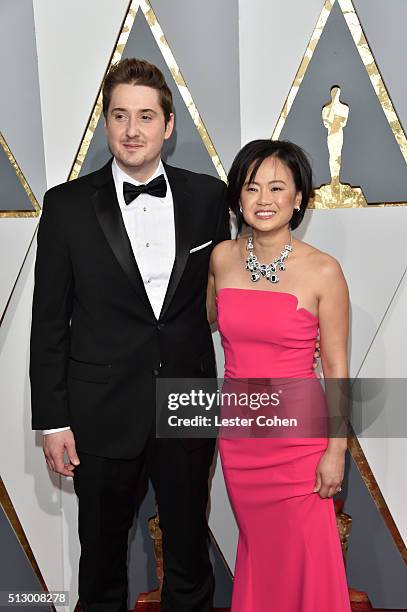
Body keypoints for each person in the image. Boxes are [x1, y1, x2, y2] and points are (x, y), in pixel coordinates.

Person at [30, 58, 230, 612]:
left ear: (168, 126)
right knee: (100, 559)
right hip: (99, 408)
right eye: (120, 115)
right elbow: (49, 321)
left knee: (190, 557)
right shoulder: (66, 206)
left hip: (187, 399)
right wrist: (52, 419)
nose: (132, 129)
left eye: (146, 116)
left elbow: (219, 299)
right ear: (105, 123)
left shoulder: (209, 198)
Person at [208, 139, 351, 611]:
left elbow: (336, 370)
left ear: (298, 198)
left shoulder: (323, 271)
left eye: (276, 187)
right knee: (262, 552)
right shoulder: (221, 259)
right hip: (242, 440)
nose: (264, 199)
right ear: (238, 198)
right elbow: (195, 320)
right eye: (252, 188)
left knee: (308, 554)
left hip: (299, 446)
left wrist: (335, 451)